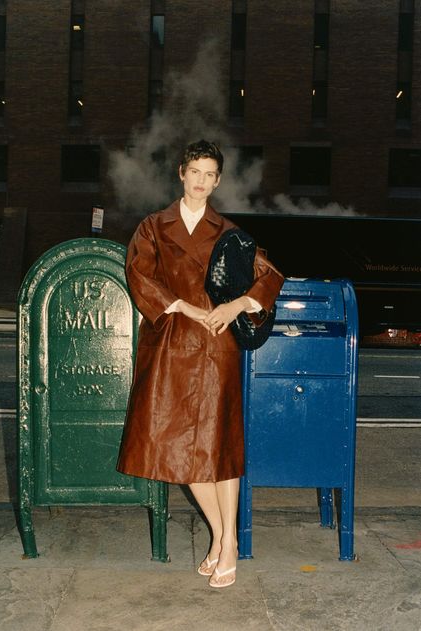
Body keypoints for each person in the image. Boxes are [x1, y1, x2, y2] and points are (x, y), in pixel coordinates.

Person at [117, 140, 284, 588]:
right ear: (181, 173)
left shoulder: (229, 231)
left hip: (216, 350)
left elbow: (271, 275)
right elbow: (139, 275)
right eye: (195, 171)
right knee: (183, 455)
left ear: (218, 180)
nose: (202, 181)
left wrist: (237, 305)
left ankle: (227, 545)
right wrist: (187, 309)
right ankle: (222, 536)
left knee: (218, 451)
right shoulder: (154, 226)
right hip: (173, 345)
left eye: (210, 174)